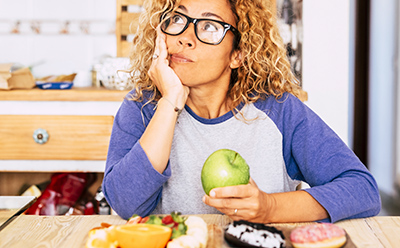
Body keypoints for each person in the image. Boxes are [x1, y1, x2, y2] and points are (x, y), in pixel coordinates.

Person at [102, 0, 381, 223]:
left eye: (209, 26)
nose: (185, 37)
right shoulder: (143, 107)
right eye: (177, 19)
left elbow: (362, 189)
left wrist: (270, 208)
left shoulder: (278, 110)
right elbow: (125, 204)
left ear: (237, 54)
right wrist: (170, 101)